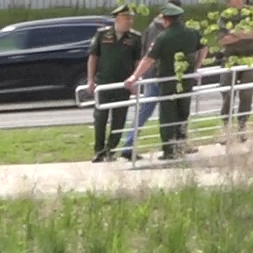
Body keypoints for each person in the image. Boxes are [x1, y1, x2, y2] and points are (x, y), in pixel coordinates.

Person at [127, 2, 204, 160]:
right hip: (185, 79)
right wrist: (196, 66)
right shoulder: (192, 32)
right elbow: (204, 48)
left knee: (168, 115)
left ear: (166, 20)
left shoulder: (163, 37)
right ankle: (181, 146)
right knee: (183, 113)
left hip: (167, 80)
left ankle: (169, 151)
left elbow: (148, 59)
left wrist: (135, 76)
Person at [86, 5, 144, 163]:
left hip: (122, 85)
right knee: (100, 118)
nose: (130, 21)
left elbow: (137, 61)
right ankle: (99, 151)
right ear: (117, 19)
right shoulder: (102, 34)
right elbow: (93, 57)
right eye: (126, 18)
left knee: (119, 119)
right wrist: (90, 79)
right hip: (103, 83)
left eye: (131, 18)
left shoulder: (135, 38)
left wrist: (135, 80)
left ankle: (110, 150)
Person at [214, 0, 253, 138]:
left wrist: (235, 33)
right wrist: (243, 34)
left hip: (249, 58)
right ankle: (226, 127)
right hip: (230, 58)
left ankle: (242, 126)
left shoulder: (252, 13)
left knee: (247, 94)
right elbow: (222, 40)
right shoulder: (225, 16)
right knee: (227, 93)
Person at [119, 9, 169, 161]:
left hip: (151, 72)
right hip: (157, 73)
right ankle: (172, 144)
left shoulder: (152, 27)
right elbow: (151, 54)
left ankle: (128, 145)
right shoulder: (161, 29)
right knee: (166, 110)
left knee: (145, 110)